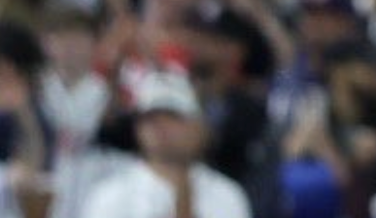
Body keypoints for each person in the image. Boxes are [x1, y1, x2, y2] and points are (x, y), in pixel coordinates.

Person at [78, 72, 251, 218]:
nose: (160, 127)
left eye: (172, 117)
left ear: (198, 127)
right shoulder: (112, 196)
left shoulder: (226, 195)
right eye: (150, 118)